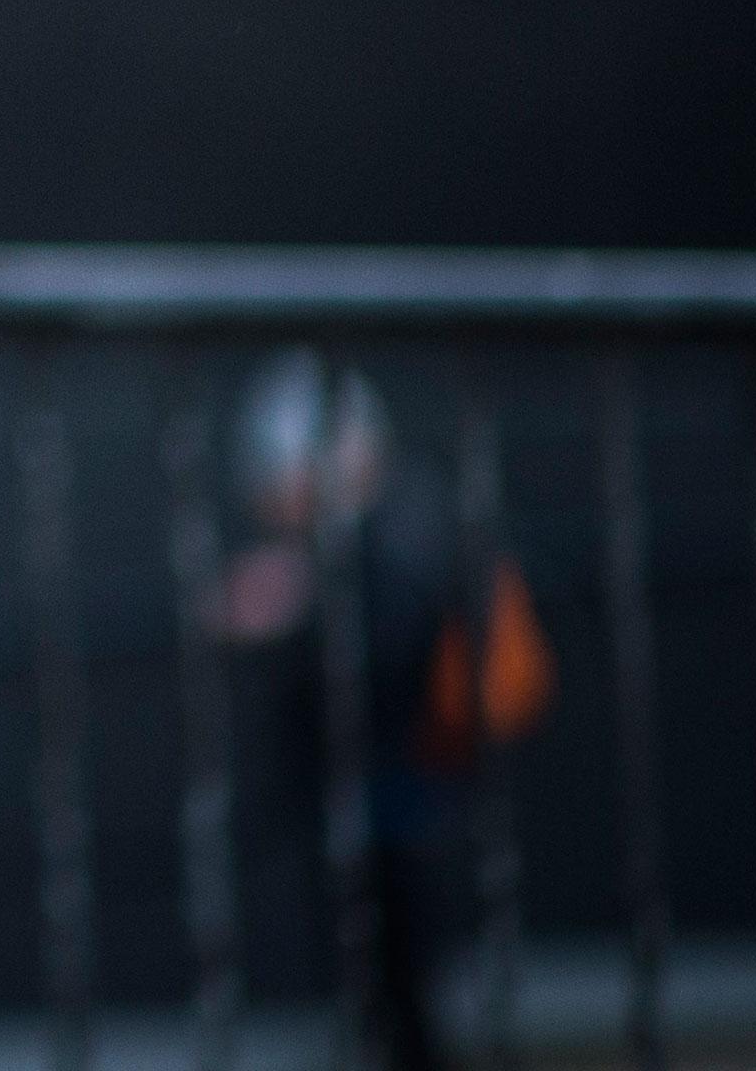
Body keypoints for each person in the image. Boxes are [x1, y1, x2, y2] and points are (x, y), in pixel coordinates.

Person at [216, 352, 547, 1071]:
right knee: (386, 988)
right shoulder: (378, 530)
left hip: (407, 796)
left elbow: (392, 647)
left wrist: (297, 613)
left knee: (407, 988)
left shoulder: (398, 529)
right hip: (384, 797)